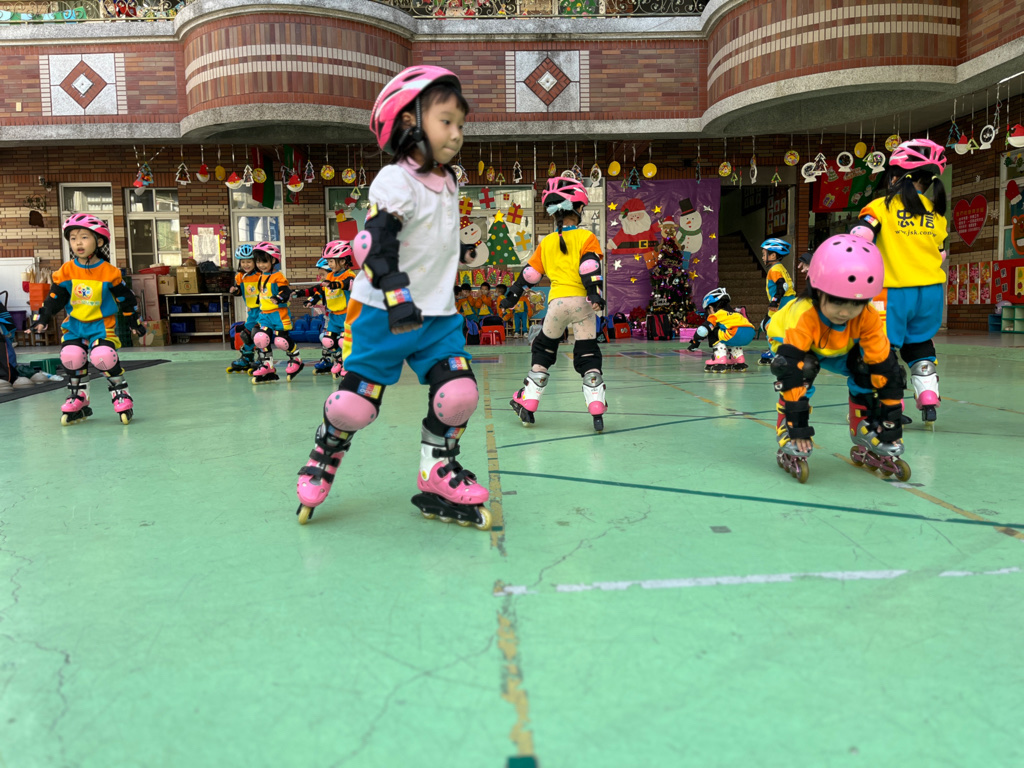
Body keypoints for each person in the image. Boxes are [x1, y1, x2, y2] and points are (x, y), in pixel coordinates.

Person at [294, 65, 491, 529]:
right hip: (384, 312)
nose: (457, 133)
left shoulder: (449, 181)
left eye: (461, 124)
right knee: (354, 407)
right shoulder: (395, 179)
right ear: (408, 123)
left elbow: (429, 237)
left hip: (437, 318)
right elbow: (373, 243)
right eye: (446, 121)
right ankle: (326, 449)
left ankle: (436, 470)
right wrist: (399, 296)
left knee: (458, 395)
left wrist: (461, 252)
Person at [767, 234, 909, 483]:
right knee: (803, 368)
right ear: (817, 291)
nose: (845, 312)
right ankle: (786, 425)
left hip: (838, 346)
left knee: (869, 366)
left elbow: (885, 369)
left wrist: (889, 422)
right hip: (792, 342)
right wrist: (798, 425)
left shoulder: (867, 316)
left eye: (855, 304)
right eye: (836, 302)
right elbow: (790, 370)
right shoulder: (804, 314)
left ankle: (864, 423)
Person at [851, 138, 949, 424]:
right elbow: (940, 253)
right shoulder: (936, 213)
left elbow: (861, 238)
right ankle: (928, 394)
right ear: (928, 182)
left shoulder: (880, 207)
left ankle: (889, 404)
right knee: (919, 342)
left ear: (894, 177)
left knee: (881, 348)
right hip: (931, 293)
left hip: (891, 292)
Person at [502, 177, 607, 431]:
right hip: (582, 304)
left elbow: (530, 274)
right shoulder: (586, 236)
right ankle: (596, 405)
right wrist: (594, 294)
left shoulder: (546, 242)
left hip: (557, 304)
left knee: (544, 348)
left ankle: (529, 401)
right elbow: (589, 266)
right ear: (579, 208)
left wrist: (513, 295)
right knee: (587, 351)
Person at [31, 214, 146, 425]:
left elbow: (126, 299)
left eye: (84, 237)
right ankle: (79, 397)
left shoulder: (109, 272)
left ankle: (121, 393)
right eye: (73, 238)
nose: (78, 243)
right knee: (71, 356)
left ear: (99, 242)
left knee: (103, 357)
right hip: (75, 326)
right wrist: (43, 318)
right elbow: (54, 299)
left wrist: (133, 322)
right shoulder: (66, 271)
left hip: (102, 327)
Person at [292, 241, 357, 378]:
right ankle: (339, 360)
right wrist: (307, 297)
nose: (329, 264)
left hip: (347, 316)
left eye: (331, 261)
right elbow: (319, 290)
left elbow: (348, 284)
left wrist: (334, 284)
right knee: (328, 341)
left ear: (343, 261)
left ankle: (349, 364)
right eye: (328, 261)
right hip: (333, 317)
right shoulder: (330, 276)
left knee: (343, 341)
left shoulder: (349, 275)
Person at [250, 242, 303, 384]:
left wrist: (279, 298)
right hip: (265, 314)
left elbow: (285, 291)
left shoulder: (278, 276)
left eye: (264, 261)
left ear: (273, 260)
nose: (261, 265)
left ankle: (296, 359)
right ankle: (267, 365)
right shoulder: (261, 276)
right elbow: (262, 293)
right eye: (258, 262)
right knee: (261, 338)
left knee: (281, 341)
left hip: (279, 314)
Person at [687, 288, 755, 372]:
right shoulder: (736, 314)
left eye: (708, 311)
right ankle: (738, 358)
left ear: (711, 308)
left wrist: (695, 343)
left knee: (713, 331)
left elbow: (703, 330)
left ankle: (720, 358)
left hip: (734, 333)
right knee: (729, 335)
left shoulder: (716, 315)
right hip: (749, 334)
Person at [758, 238, 796, 365]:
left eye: (764, 254)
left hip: (782, 302)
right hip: (789, 301)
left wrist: (775, 301)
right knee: (781, 326)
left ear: (773, 255)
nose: (762, 257)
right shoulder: (780, 268)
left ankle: (775, 352)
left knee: (768, 326)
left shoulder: (774, 270)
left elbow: (782, 285)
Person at [226, 244, 262, 374]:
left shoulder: (261, 275)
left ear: (255, 262)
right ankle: (247, 358)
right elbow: (240, 291)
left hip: (264, 310)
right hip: (252, 311)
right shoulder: (240, 276)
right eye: (243, 262)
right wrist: (235, 291)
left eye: (249, 261)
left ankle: (263, 359)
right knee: (246, 334)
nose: (246, 265)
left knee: (259, 334)